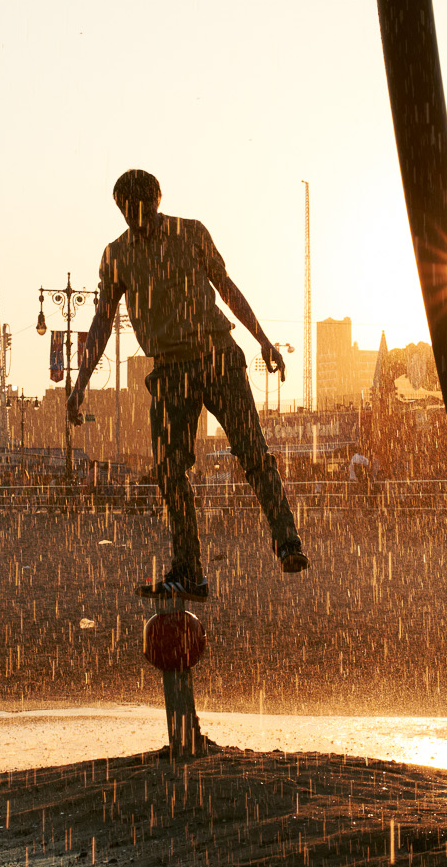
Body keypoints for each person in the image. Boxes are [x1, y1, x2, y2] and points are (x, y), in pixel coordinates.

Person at [68, 169, 308, 599]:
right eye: (126, 209)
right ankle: (189, 571)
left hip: (217, 357)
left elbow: (226, 289)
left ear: (157, 200)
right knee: (171, 470)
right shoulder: (117, 255)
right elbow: (102, 319)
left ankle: (286, 540)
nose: (134, 217)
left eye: (140, 207)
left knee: (251, 451)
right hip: (170, 369)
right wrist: (81, 381)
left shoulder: (191, 233)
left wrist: (264, 341)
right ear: (120, 209)